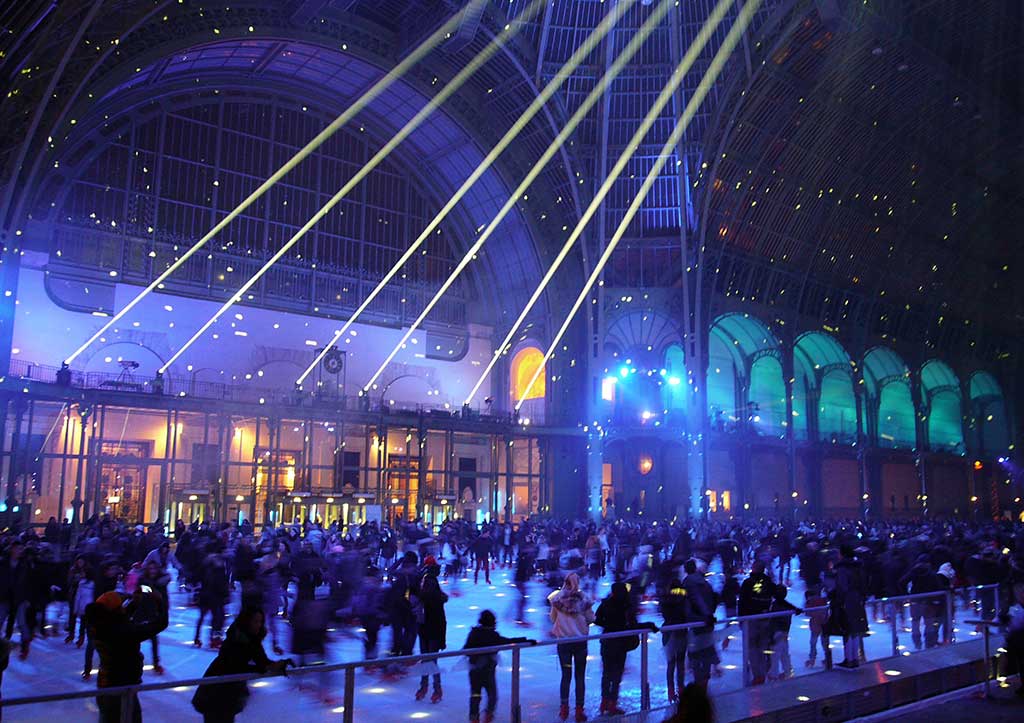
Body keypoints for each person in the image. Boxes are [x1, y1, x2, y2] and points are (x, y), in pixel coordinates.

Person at [192, 607, 294, 723]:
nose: (259, 625)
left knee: (227, 717)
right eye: (255, 621)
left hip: (231, 690)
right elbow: (234, 666)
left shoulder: (254, 639)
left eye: (260, 621)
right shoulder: (235, 639)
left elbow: (262, 661)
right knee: (217, 717)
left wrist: (277, 665)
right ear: (247, 621)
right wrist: (263, 668)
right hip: (216, 688)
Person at [84, 589, 167, 723]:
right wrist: (159, 601)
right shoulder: (123, 632)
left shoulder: (98, 624)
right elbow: (160, 624)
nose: (124, 606)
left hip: (106, 685)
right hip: (121, 688)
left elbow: (117, 618)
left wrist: (134, 604)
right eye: (121, 605)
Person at [595, 581, 658, 715]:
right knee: (616, 675)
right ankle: (611, 703)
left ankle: (605, 702)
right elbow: (633, 625)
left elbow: (597, 619)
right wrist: (647, 625)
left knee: (607, 674)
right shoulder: (626, 605)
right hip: (620, 644)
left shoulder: (606, 604)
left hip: (607, 642)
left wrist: (609, 626)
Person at [463, 609, 534, 722]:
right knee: (492, 695)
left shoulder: (474, 633)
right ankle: (488, 714)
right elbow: (507, 641)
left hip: (475, 671)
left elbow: (465, 649)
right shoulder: (492, 635)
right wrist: (526, 640)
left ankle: (474, 717)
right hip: (487, 672)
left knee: (475, 695)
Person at [548, 572, 593, 722]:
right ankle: (579, 709)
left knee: (565, 675)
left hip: (564, 643)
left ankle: (564, 708)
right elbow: (591, 618)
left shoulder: (557, 599)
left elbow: (553, 618)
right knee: (580, 676)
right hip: (580, 643)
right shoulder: (584, 599)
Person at [827, 545, 868, 669]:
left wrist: (837, 598)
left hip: (846, 601)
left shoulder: (842, 569)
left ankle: (849, 659)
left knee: (847, 629)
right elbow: (864, 583)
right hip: (857, 600)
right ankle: (854, 658)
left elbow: (842, 586)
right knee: (855, 629)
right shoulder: (858, 567)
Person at [416, 555, 448, 703]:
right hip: (431, 627)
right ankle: (431, 688)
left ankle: (431, 688)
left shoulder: (426, 581)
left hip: (427, 627)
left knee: (428, 660)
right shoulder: (430, 581)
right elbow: (441, 616)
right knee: (429, 660)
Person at [738, 560, 774, 685]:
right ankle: (762, 673)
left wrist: (741, 619)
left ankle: (758, 675)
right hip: (765, 618)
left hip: (751, 620)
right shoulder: (768, 582)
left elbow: (742, 602)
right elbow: (776, 596)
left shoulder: (748, 583)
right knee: (762, 647)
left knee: (752, 647)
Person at [767, 584, 801, 679]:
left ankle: (774, 674)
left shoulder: (775, 605)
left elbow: (771, 621)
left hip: (776, 632)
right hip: (784, 632)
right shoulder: (786, 605)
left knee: (775, 654)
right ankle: (787, 672)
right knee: (784, 653)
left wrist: (770, 635)